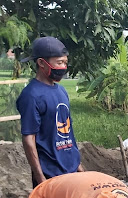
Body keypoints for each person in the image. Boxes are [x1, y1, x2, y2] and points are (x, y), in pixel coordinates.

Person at [16, 36, 84, 189]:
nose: (63, 67)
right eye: (59, 63)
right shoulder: (31, 96)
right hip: (50, 176)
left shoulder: (62, 91)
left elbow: (68, 133)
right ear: (41, 63)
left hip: (71, 170)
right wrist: (41, 180)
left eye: (65, 63)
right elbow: (29, 140)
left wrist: (78, 167)